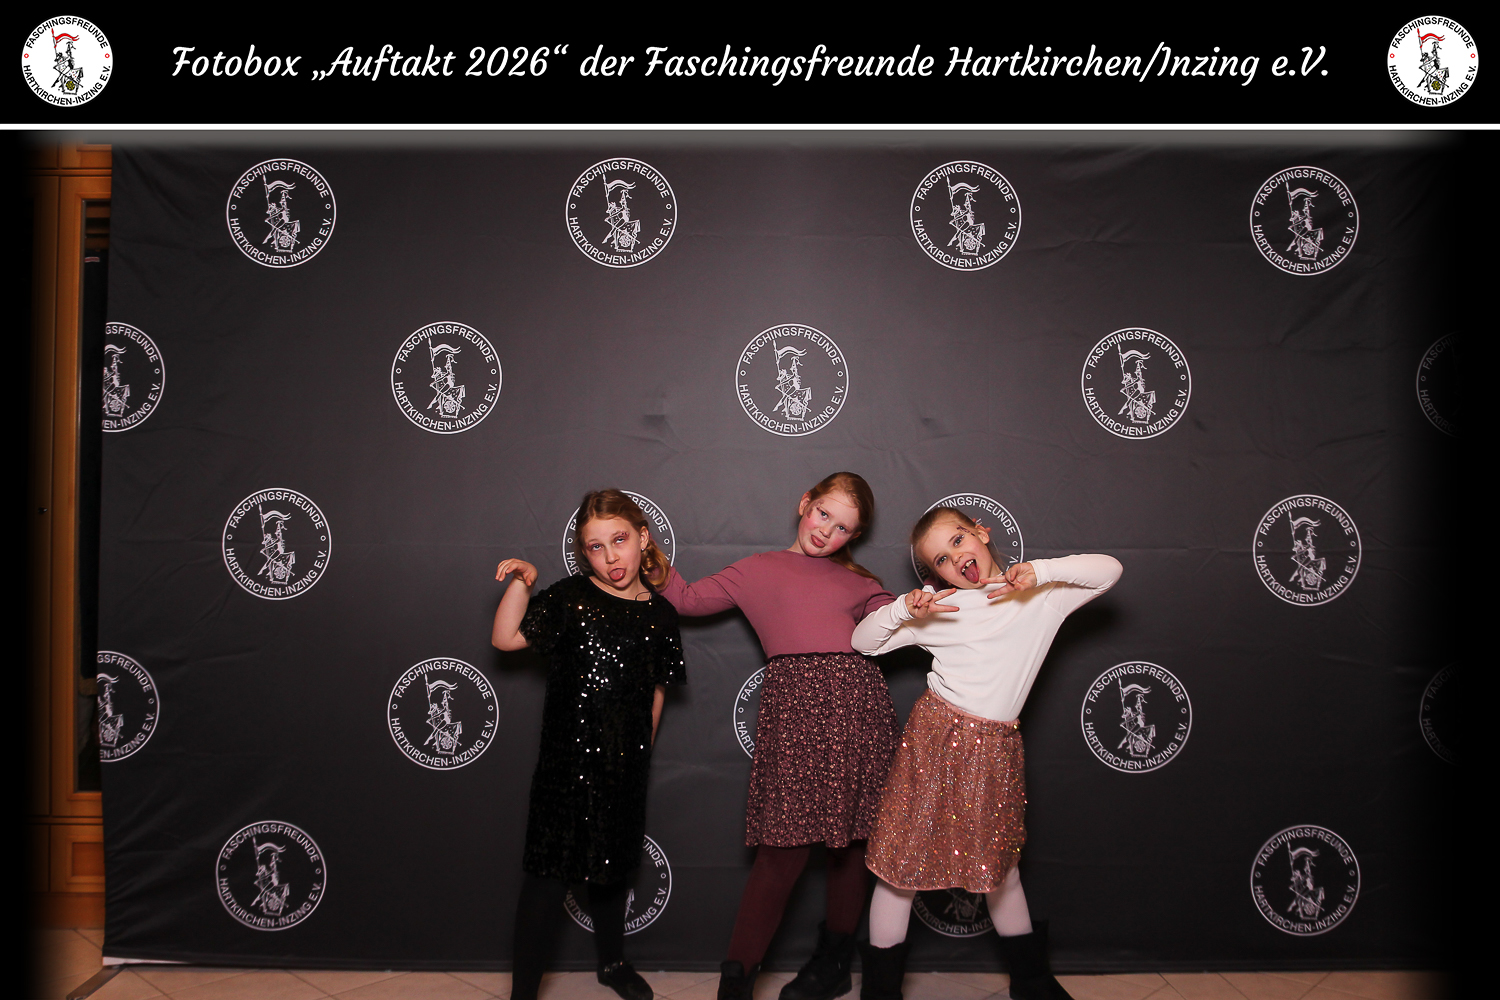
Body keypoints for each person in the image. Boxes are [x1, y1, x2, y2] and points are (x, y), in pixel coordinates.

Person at [851, 507, 1122, 1000]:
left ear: (982, 532)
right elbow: (863, 642)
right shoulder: (941, 608)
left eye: (959, 540)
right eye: (941, 558)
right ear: (936, 574)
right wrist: (903, 610)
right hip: (934, 742)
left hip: (995, 750)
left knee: (999, 869)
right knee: (898, 871)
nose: (955, 557)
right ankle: (881, 992)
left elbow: (1110, 570)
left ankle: (1032, 983)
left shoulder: (1041, 595)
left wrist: (1039, 571)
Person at [660, 472, 899, 1000]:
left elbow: (895, 623)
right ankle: (736, 980)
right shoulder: (756, 569)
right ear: (804, 503)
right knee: (780, 850)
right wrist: (650, 558)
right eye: (823, 514)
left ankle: (833, 964)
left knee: (852, 844)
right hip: (794, 715)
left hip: (858, 713)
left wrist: (915, 609)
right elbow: (688, 600)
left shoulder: (860, 582)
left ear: (854, 536)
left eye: (842, 527)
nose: (826, 531)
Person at [490, 489, 686, 1000]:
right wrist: (524, 581)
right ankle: (523, 993)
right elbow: (505, 638)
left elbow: (656, 695)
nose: (611, 557)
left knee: (612, 869)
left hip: (624, 768)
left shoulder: (661, 615)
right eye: (596, 547)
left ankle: (612, 963)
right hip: (564, 767)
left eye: (619, 540)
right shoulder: (571, 597)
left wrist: (638, 758)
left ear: (642, 537)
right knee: (546, 878)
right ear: (584, 553)